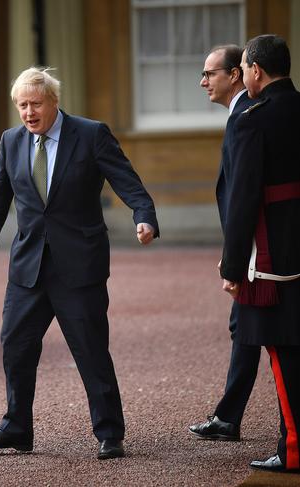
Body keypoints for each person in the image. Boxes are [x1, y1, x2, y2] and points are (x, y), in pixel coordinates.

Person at [0, 67, 159, 459]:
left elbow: (126, 179)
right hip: (29, 268)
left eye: (35, 103)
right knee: (15, 346)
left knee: (90, 349)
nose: (28, 112)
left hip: (79, 266)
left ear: (54, 102)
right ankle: (16, 428)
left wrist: (144, 214)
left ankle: (109, 433)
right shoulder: (11, 141)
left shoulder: (90, 134)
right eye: (21, 104)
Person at [220, 34, 300, 473]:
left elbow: (243, 199)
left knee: (283, 352)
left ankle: (293, 449)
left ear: (254, 70)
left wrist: (233, 267)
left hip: (272, 260)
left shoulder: (250, 119)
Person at [189, 45, 260, 441]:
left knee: (253, 328)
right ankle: (228, 417)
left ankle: (229, 419)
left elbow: (242, 195)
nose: (203, 82)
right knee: (245, 327)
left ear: (236, 74)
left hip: (258, 250)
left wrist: (234, 259)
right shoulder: (243, 115)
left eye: (209, 74)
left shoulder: (247, 118)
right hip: (252, 247)